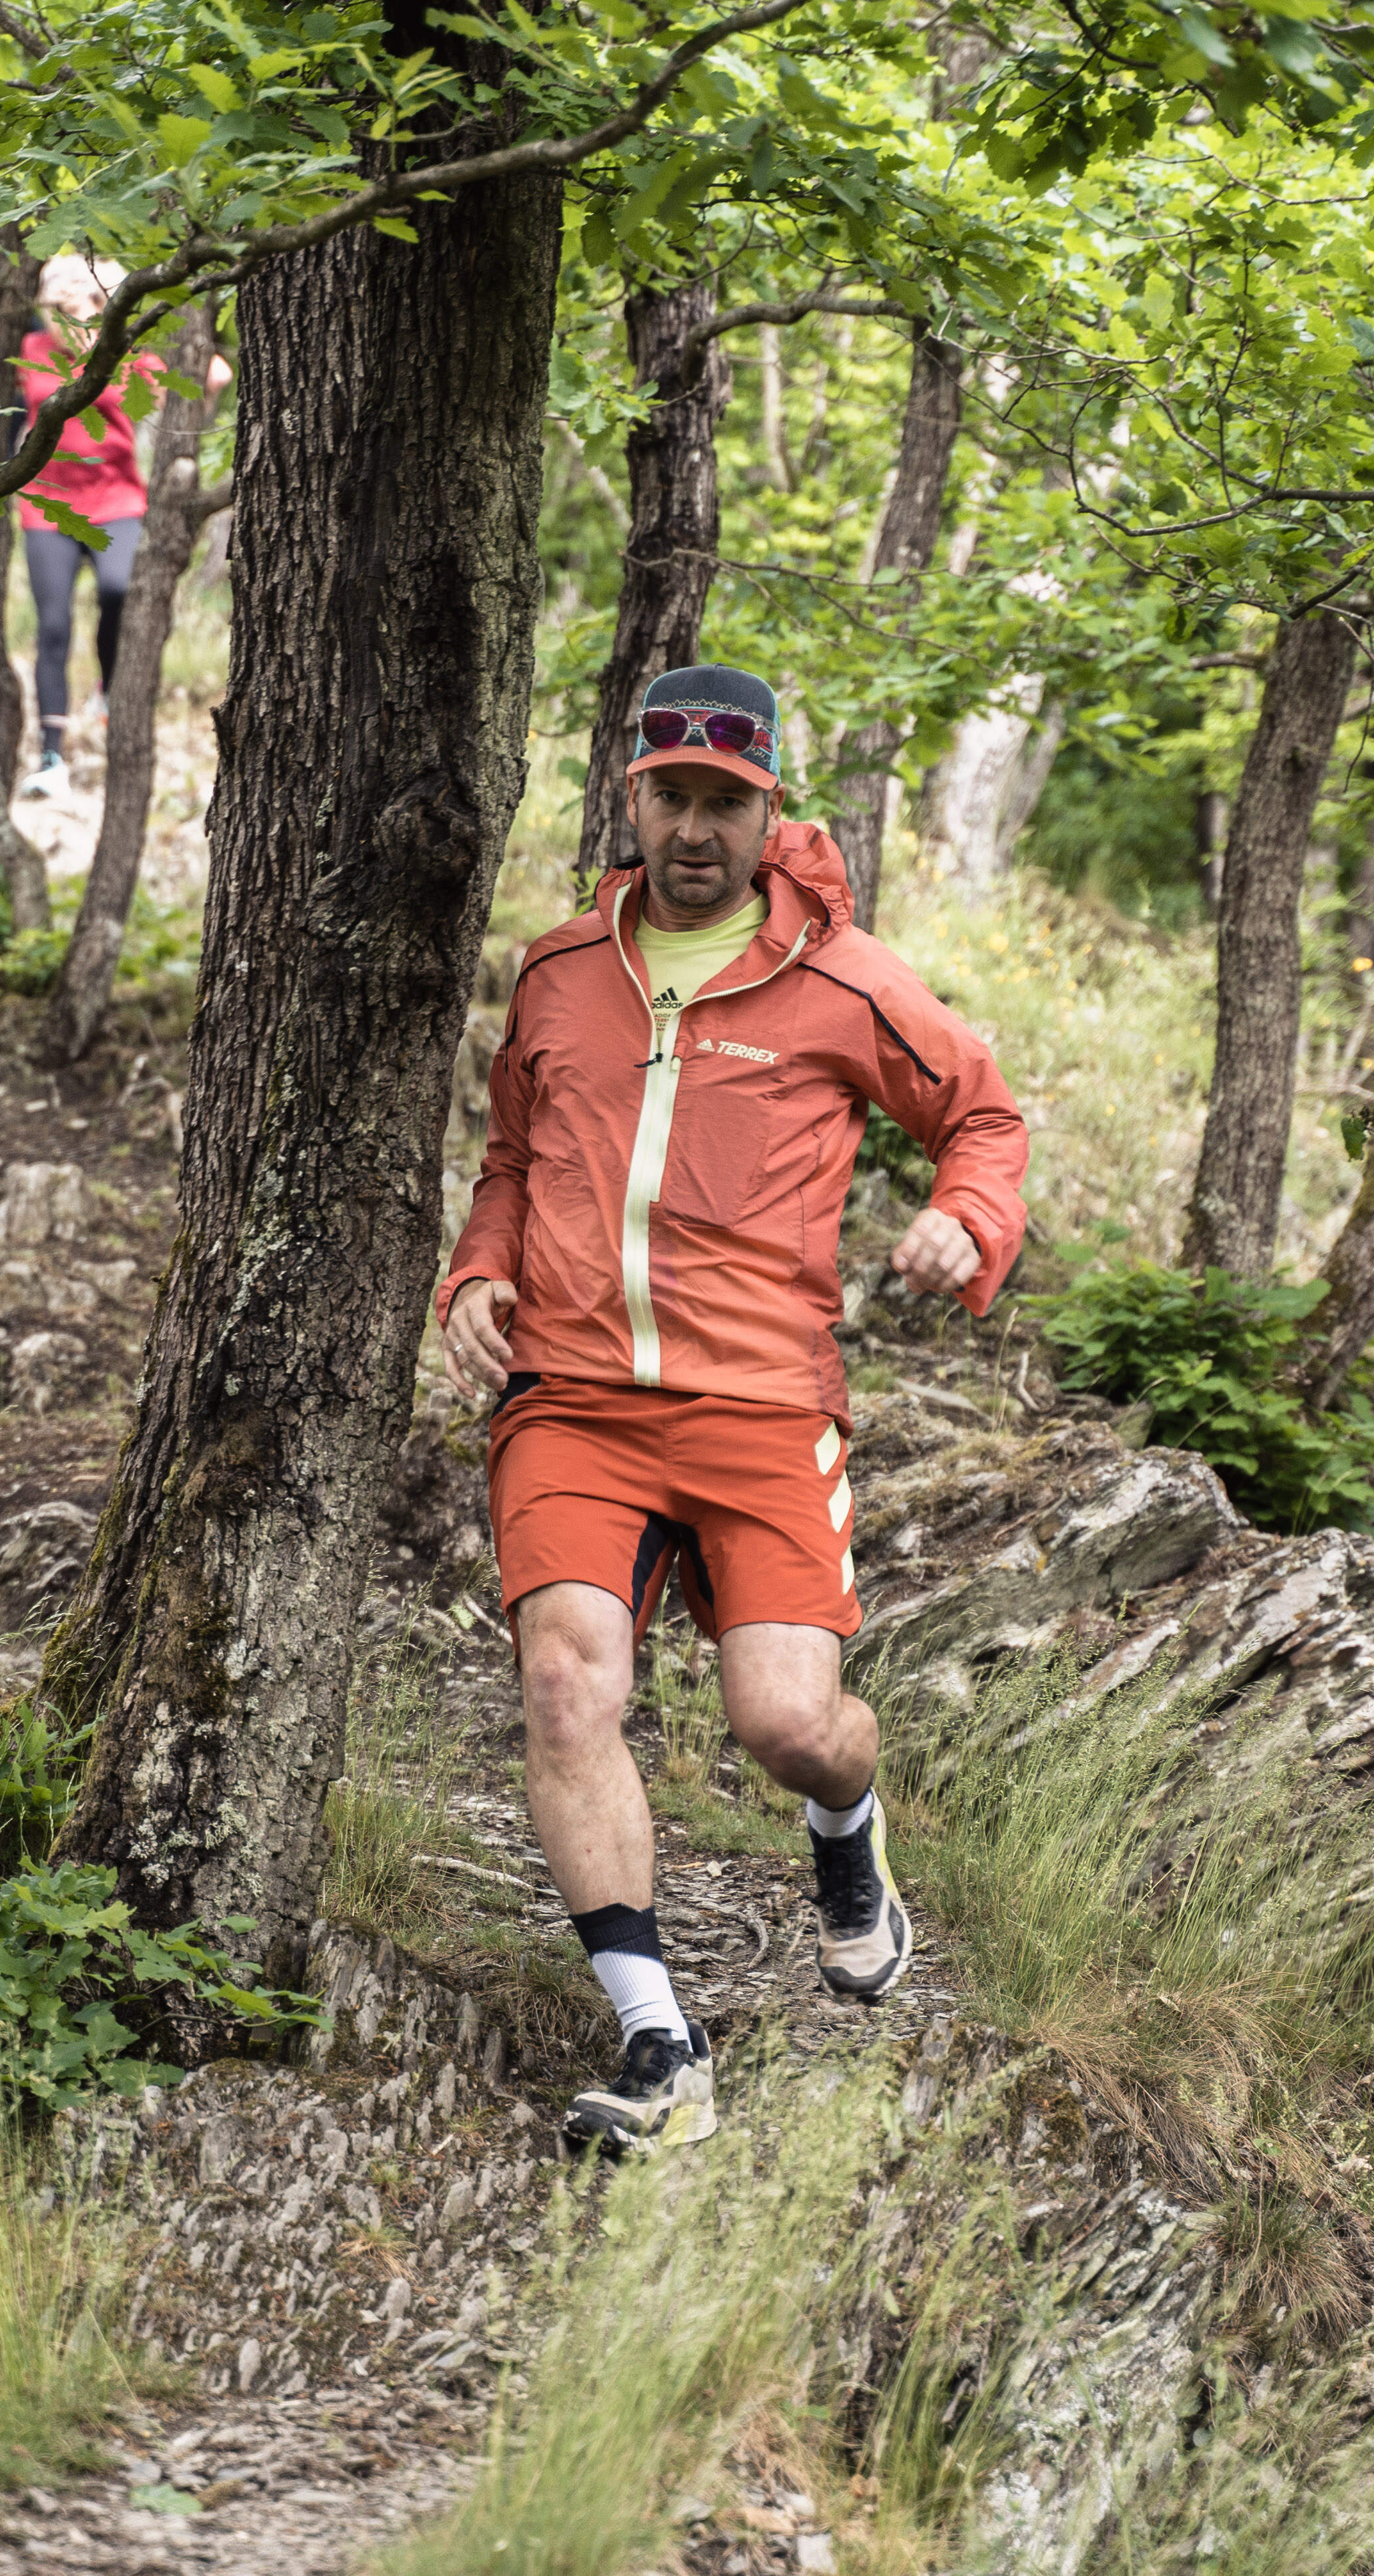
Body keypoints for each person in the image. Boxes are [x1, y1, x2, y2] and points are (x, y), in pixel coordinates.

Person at [436, 664, 1029, 2159]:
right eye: (671, 797)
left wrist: (967, 1214)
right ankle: (657, 2039)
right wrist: (476, 1269)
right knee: (569, 1687)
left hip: (762, 1404)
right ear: (630, 797)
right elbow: (512, 1153)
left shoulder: (843, 981)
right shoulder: (562, 967)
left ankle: (849, 1833)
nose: (695, 829)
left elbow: (983, 1113)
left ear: (770, 810)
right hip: (571, 1395)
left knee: (790, 1723)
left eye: (727, 803)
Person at [11, 254, 154, 801]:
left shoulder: (127, 350)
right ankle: (51, 755)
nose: (74, 293)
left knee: (119, 591)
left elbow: (184, 384)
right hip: (48, 503)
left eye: (86, 285)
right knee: (52, 626)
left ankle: (108, 691)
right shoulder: (31, 349)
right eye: (63, 285)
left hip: (117, 498)